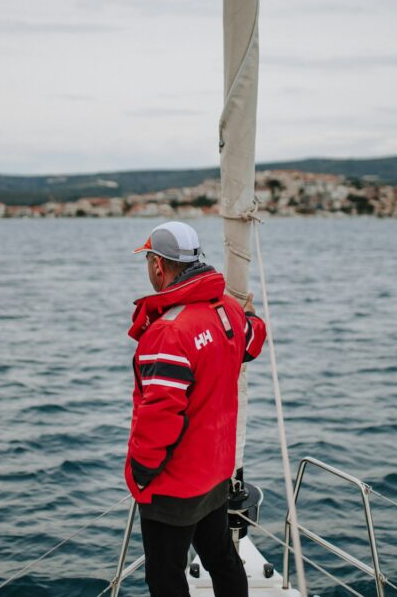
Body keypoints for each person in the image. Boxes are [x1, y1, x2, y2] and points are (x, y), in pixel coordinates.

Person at [126, 221, 266, 597]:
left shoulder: (168, 332)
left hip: (175, 484)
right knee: (221, 557)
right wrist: (249, 316)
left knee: (166, 578)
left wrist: (140, 476)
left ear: (158, 265)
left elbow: (159, 418)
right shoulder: (229, 313)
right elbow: (252, 342)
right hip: (216, 474)